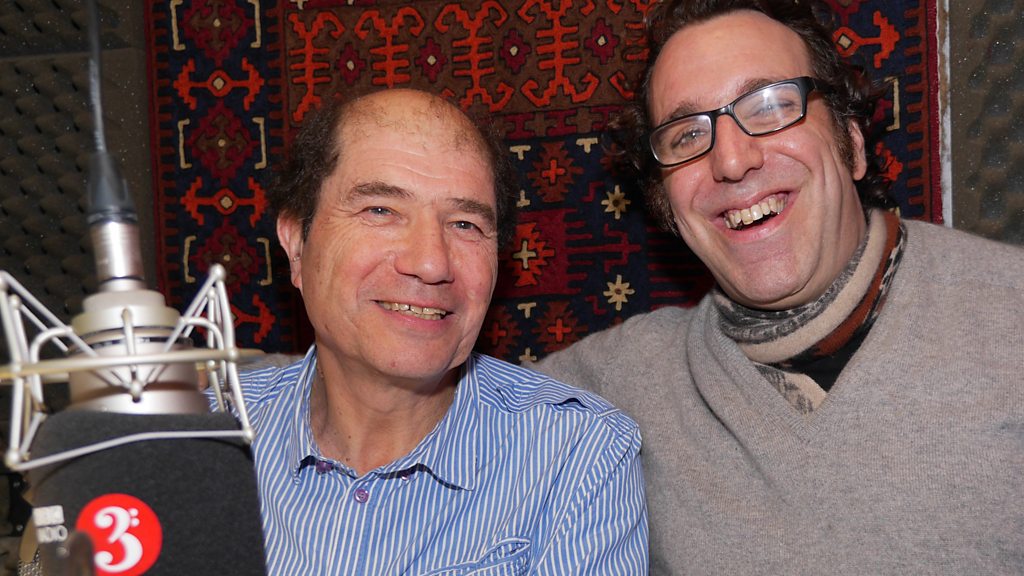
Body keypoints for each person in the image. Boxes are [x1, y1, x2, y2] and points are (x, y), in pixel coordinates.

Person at [532, 1, 1024, 574]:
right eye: (687, 135)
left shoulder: (1009, 320)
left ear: (852, 143)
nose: (731, 159)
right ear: (665, 203)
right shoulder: (615, 390)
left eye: (770, 106)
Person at [242, 89, 647, 574]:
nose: (432, 262)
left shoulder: (575, 460)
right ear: (295, 243)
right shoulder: (199, 434)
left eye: (465, 224)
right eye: (380, 211)